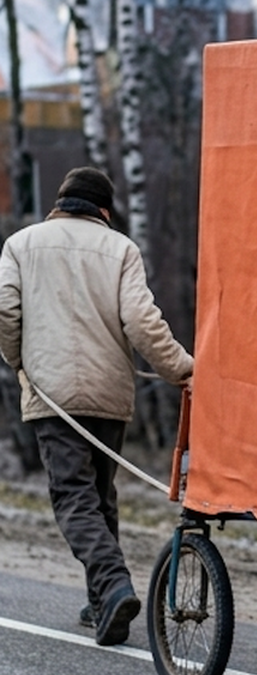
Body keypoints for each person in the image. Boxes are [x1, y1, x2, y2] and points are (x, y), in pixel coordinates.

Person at [0, 167, 193, 646]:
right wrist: (183, 370)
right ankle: (102, 606)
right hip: (109, 393)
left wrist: (18, 359)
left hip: (52, 394)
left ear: (61, 201)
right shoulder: (121, 249)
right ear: (104, 210)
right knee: (100, 497)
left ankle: (112, 586)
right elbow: (143, 323)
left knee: (73, 498)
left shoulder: (21, 244)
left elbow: (5, 311)